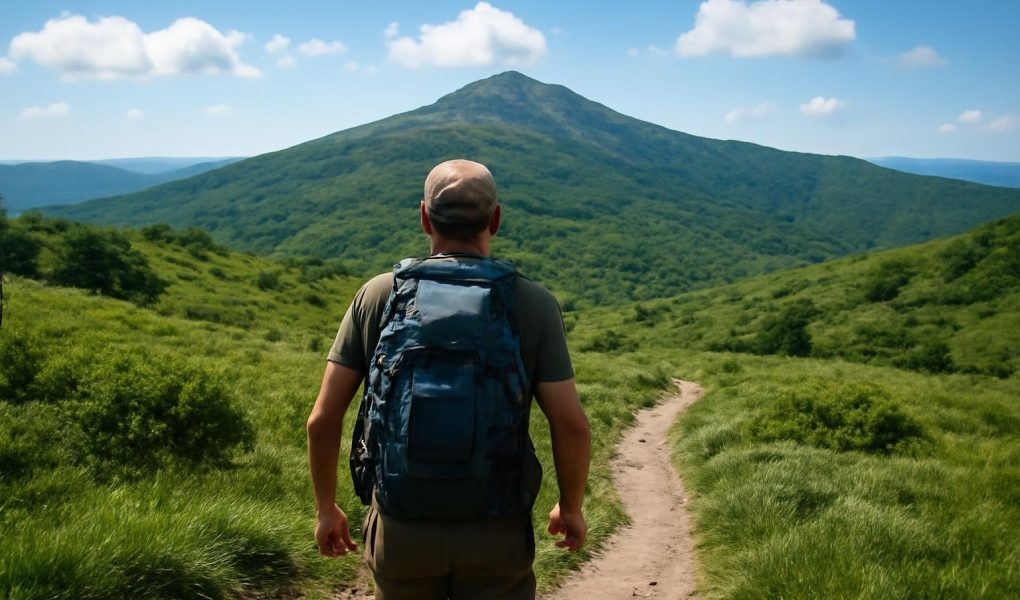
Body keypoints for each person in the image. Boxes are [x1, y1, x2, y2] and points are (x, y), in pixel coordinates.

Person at [306, 159, 591, 599]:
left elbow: (323, 419)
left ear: (424, 216)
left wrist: (326, 510)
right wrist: (570, 508)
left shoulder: (379, 295)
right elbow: (570, 424)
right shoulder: (531, 303)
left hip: (402, 529)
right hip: (496, 531)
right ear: (495, 219)